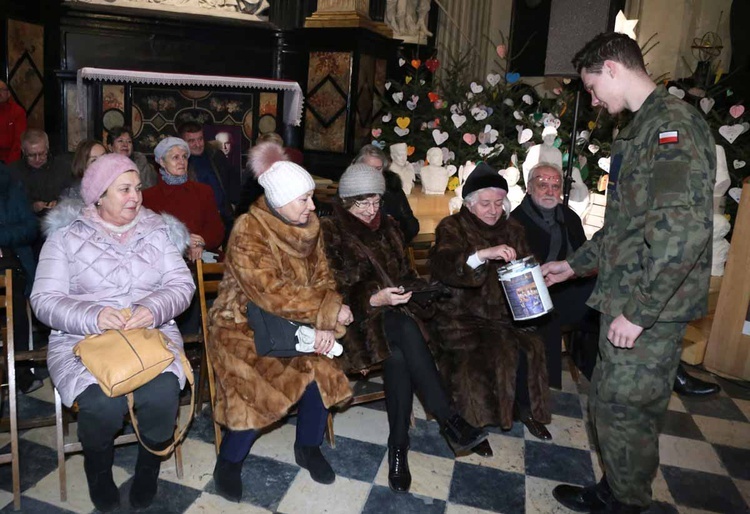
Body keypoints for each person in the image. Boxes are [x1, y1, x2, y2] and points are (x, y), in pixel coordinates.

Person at [544, 33, 715, 514]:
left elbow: (682, 235)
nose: (594, 100)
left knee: (628, 411)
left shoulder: (673, 128)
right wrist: (571, 266)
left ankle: (628, 504)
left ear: (613, 68)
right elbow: (625, 226)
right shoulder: (642, 129)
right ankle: (614, 488)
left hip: (648, 308)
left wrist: (639, 314)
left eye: (593, 88)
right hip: (624, 295)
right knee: (610, 406)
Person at [31, 153, 195, 512]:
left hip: (150, 337)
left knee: (164, 394)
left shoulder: (157, 231)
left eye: (137, 188)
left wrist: (152, 309)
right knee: (102, 406)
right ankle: (99, 472)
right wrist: (94, 315)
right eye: (124, 189)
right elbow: (43, 300)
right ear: (99, 196)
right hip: (82, 342)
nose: (135, 196)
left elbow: (182, 285)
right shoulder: (65, 238)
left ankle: (148, 468)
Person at [320, 163, 488, 492]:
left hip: (394, 319)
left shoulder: (391, 227)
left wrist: (419, 290)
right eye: (362, 204)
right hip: (351, 322)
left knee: (398, 354)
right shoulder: (330, 232)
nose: (370, 211)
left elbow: (401, 275)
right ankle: (448, 418)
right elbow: (329, 290)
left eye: (375, 202)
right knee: (401, 333)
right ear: (345, 202)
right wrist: (374, 299)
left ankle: (399, 448)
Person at [208, 143, 353, 502]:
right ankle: (229, 461)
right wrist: (327, 311)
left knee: (320, 365)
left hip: (298, 320)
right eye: (304, 199)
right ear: (279, 199)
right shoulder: (248, 229)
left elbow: (324, 279)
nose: (312, 206)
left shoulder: (309, 226)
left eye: (311, 198)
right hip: (242, 323)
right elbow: (269, 292)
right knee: (255, 379)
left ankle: (307, 447)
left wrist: (323, 322)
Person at [429, 163, 552, 441]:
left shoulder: (514, 228)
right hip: (458, 316)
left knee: (531, 347)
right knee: (474, 355)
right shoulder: (452, 227)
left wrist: (535, 272)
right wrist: (482, 254)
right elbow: (443, 265)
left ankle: (526, 410)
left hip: (505, 314)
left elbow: (525, 264)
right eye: (485, 203)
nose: (493, 210)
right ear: (470, 204)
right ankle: (471, 424)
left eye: (498, 203)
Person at [511, 162, 599, 387]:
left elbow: (583, 256)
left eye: (555, 185)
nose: (550, 191)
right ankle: (545, 389)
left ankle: (598, 371)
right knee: (548, 315)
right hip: (531, 294)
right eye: (543, 185)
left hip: (568, 285)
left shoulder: (569, 217)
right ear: (529, 188)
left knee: (604, 296)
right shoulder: (514, 222)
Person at [142, 137, 225, 262]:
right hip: (164, 260)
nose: (181, 161)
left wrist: (201, 241)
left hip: (201, 257)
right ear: (162, 162)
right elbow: (146, 236)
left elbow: (217, 229)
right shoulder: (148, 197)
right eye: (175, 157)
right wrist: (183, 243)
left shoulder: (203, 191)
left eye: (184, 157)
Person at [0, 163, 42, 393]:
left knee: (12, 296)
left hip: (9, 261)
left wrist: (2, 235)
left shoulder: (10, 185)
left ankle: (21, 369)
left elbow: (29, 228)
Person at [353, 144, 420, 242]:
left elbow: (412, 225)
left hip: (389, 248)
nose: (374, 173)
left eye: (378, 169)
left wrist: (393, 230)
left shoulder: (393, 189)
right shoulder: (349, 189)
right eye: (369, 168)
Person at [178, 121, 235, 229]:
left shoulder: (216, 155)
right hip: (198, 222)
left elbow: (231, 182)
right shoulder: (180, 163)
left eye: (200, 139)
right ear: (182, 142)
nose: (198, 144)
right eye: (191, 141)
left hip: (224, 217)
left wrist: (232, 205)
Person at [9, 129, 73, 216]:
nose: (37, 159)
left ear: (47, 148)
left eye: (42, 153)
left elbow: (73, 196)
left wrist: (60, 203)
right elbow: (8, 204)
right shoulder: (13, 172)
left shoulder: (63, 168)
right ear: (23, 151)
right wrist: (31, 207)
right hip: (25, 221)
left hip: (59, 219)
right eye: (31, 155)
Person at [0, 80, 26, 165]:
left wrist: (11, 164)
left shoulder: (17, 111)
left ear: (8, 93)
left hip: (9, 159)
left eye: (1, 90)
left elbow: (19, 141)